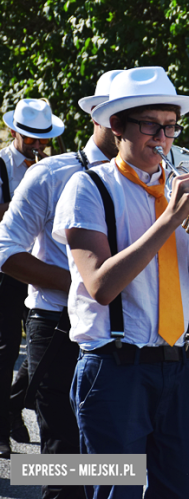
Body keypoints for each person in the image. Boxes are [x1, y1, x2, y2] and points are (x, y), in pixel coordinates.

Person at [52, 66, 189, 499]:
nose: (162, 139)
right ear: (117, 126)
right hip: (115, 371)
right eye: (150, 126)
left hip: (180, 369)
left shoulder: (178, 193)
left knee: (186, 491)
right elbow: (101, 286)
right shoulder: (88, 187)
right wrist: (170, 219)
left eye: (170, 128)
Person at [0, 71, 121, 497]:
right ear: (97, 116)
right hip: (57, 324)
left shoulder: (156, 181)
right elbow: (5, 252)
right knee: (64, 461)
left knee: (116, 465)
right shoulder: (53, 173)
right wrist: (88, 280)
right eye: (121, 114)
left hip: (130, 335)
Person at [0, 98, 65, 458]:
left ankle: (11, 406)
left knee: (42, 353)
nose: (38, 146)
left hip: (44, 274)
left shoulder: (54, 167)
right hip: (10, 269)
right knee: (7, 348)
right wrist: (33, 194)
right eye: (31, 140)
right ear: (14, 133)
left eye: (43, 140)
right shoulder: (2, 164)